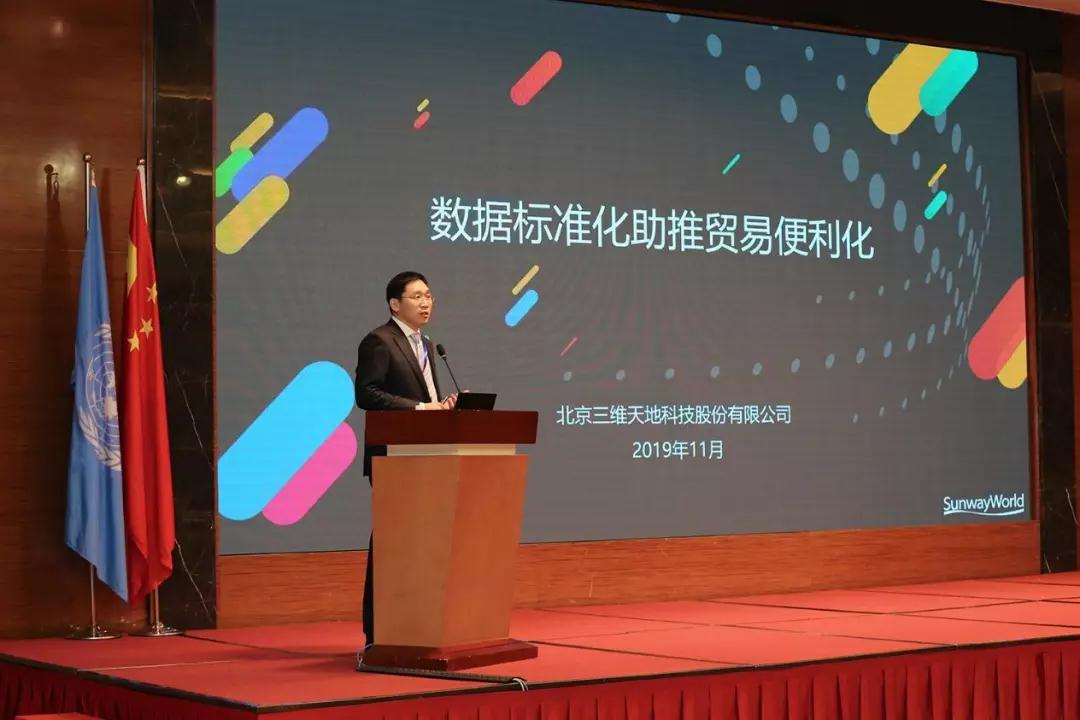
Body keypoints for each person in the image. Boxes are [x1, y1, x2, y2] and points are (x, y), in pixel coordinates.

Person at [354, 271, 456, 649]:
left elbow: (426, 399)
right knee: (392, 542)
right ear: (395, 304)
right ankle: (378, 631)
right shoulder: (379, 341)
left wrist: (441, 407)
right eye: (417, 296)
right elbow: (366, 394)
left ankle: (417, 624)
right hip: (393, 458)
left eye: (428, 295)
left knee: (422, 543)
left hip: (425, 456)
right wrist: (421, 408)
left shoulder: (427, 345)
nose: (426, 302)